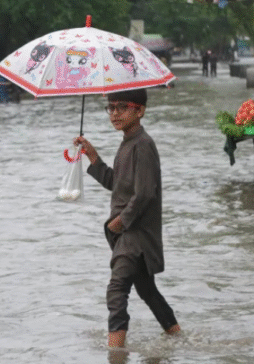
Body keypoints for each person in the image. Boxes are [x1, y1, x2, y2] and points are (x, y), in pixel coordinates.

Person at [73, 88, 180, 349]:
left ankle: (116, 353)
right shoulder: (128, 143)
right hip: (130, 234)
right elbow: (119, 184)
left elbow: (144, 194)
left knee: (116, 290)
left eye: (122, 107)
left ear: (140, 110)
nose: (115, 113)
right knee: (147, 292)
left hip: (135, 235)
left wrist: (121, 221)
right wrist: (93, 157)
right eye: (111, 108)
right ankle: (178, 337)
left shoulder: (143, 145)